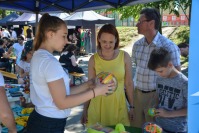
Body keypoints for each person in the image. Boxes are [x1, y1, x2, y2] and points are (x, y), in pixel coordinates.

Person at [26, 13, 114, 133]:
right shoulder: (49, 62)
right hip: (48, 125)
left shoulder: (38, 56)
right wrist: (96, 92)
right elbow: (62, 103)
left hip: (42, 120)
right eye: (64, 36)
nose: (67, 41)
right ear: (50, 34)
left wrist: (89, 84)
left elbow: (62, 93)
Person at [131, 8, 181, 128]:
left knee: (154, 129)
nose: (136, 24)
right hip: (137, 95)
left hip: (156, 98)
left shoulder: (169, 47)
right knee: (136, 129)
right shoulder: (137, 45)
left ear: (151, 23)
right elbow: (138, 69)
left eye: (140, 21)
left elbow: (176, 78)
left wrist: (166, 105)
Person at [81, 24, 134, 127]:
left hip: (118, 105)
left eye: (111, 42)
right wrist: (85, 109)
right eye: (104, 42)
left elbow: (129, 84)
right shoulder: (93, 59)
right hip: (98, 106)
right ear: (99, 40)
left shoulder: (125, 56)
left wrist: (132, 107)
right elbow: (90, 86)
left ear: (116, 41)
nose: (107, 45)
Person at [147, 47, 187, 133]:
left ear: (170, 65)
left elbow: (193, 109)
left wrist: (168, 114)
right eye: (156, 72)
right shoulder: (160, 79)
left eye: (160, 71)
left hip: (177, 129)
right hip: (159, 126)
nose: (159, 74)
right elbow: (158, 97)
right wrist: (154, 107)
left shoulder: (184, 83)